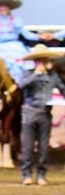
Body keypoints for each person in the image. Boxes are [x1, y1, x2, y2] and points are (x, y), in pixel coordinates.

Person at [17, 44, 65, 186]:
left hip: (45, 112)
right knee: (28, 146)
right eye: (39, 60)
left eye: (43, 60)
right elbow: (21, 85)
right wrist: (36, 74)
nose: (41, 63)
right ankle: (26, 173)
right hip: (29, 112)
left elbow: (62, 89)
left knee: (44, 146)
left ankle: (41, 174)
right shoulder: (28, 73)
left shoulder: (53, 76)